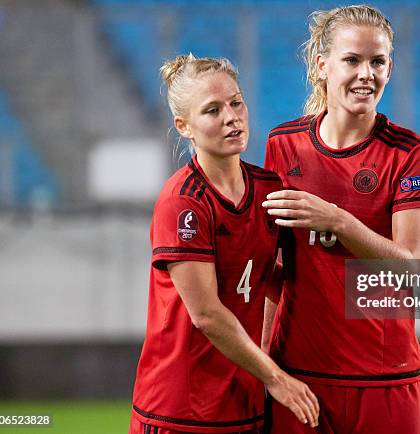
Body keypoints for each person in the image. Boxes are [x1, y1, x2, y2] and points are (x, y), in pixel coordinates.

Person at [262, 5, 420, 433]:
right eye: (352, 60)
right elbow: (277, 269)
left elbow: (410, 267)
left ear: (390, 68)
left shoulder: (410, 152)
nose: (366, 73)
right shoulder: (283, 144)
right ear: (322, 66)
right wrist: (266, 364)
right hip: (299, 375)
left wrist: (337, 220)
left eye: (377, 61)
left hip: (385, 378)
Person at [129, 54, 319, 434]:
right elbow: (207, 315)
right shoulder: (182, 201)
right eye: (213, 110)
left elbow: (275, 279)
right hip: (179, 411)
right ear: (184, 127)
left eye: (236, 102)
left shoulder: (269, 189)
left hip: (242, 404)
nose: (232, 116)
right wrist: (276, 377)